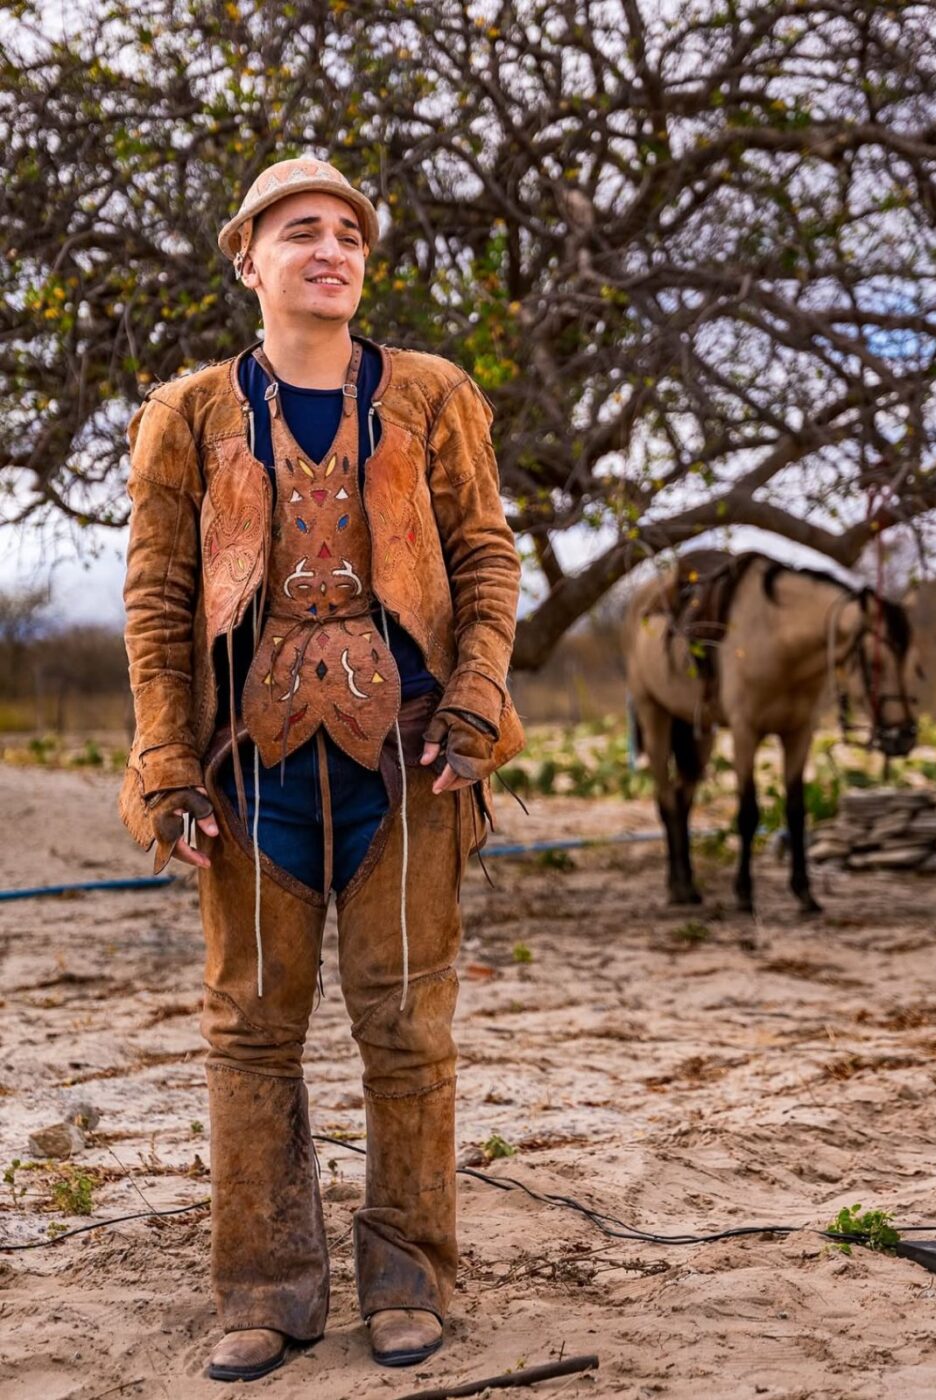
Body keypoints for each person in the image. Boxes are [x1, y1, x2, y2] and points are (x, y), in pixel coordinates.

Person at [117, 155, 524, 1383]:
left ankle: (410, 1277)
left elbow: (487, 559)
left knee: (408, 1032)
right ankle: (264, 1288)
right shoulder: (186, 414)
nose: (331, 248)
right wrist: (165, 761)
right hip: (252, 774)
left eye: (348, 231)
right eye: (302, 231)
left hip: (411, 762)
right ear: (249, 259)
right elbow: (160, 600)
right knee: (249, 1030)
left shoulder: (433, 395)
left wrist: (476, 698)